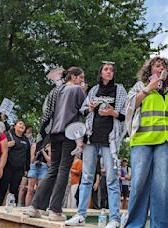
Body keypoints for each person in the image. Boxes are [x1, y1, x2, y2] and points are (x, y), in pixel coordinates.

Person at [124, 56, 168, 228]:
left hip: (167, 142)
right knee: (138, 184)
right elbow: (129, 106)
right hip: (142, 141)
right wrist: (147, 89)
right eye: (156, 66)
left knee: (163, 186)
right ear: (149, 70)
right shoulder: (140, 86)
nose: (160, 69)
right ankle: (134, 225)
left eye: (163, 67)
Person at [66, 62, 127, 227]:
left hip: (110, 141)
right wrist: (91, 108)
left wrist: (112, 112)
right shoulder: (93, 90)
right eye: (106, 69)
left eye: (112, 70)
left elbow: (125, 115)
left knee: (112, 180)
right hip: (91, 138)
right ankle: (80, 215)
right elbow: (83, 111)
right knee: (86, 178)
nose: (109, 71)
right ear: (101, 73)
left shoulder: (119, 90)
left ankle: (114, 218)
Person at [26, 67, 85, 221]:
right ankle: (55, 210)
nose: (82, 81)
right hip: (69, 133)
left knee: (53, 169)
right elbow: (84, 110)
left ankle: (34, 206)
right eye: (81, 77)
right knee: (64, 169)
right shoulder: (77, 90)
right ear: (73, 76)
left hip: (54, 133)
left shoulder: (56, 91)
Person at [0, 120, 30, 206]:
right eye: (20, 123)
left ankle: (12, 209)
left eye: (23, 124)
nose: (22, 125)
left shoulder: (26, 140)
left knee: (14, 190)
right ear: (15, 126)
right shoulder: (7, 135)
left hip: (19, 170)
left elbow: (28, 155)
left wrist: (27, 169)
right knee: (3, 189)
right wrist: (7, 145)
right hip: (7, 167)